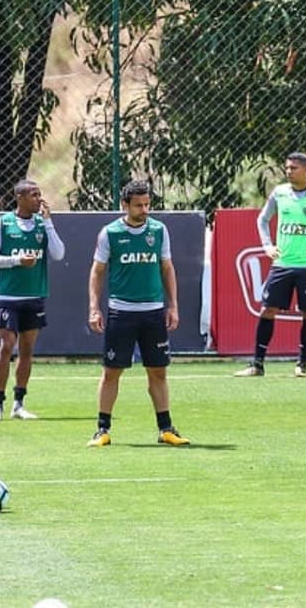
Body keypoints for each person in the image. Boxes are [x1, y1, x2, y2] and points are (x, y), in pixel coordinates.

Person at [86, 180, 189, 447]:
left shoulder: (159, 230)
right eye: (138, 205)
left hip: (153, 312)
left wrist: (173, 305)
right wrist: (94, 308)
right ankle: (102, 430)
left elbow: (167, 268)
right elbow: (97, 272)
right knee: (111, 372)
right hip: (121, 312)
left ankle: (166, 429)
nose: (144, 209)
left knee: (158, 372)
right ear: (125, 205)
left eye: (147, 204)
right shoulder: (109, 233)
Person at [235, 152, 306, 377]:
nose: (289, 172)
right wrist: (267, 246)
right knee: (268, 309)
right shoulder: (279, 193)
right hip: (282, 263)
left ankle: (302, 363)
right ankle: (257, 364)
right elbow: (263, 219)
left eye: (294, 168)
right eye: (287, 168)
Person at [0, 179, 65, 422]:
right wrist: (16, 261)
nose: (39, 199)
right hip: (9, 298)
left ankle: (19, 404)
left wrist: (48, 223)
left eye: (40, 194)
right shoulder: (4, 223)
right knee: (6, 346)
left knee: (27, 350)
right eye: (33, 195)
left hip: (35, 297)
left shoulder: (42, 224)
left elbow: (59, 254)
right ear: (20, 198)